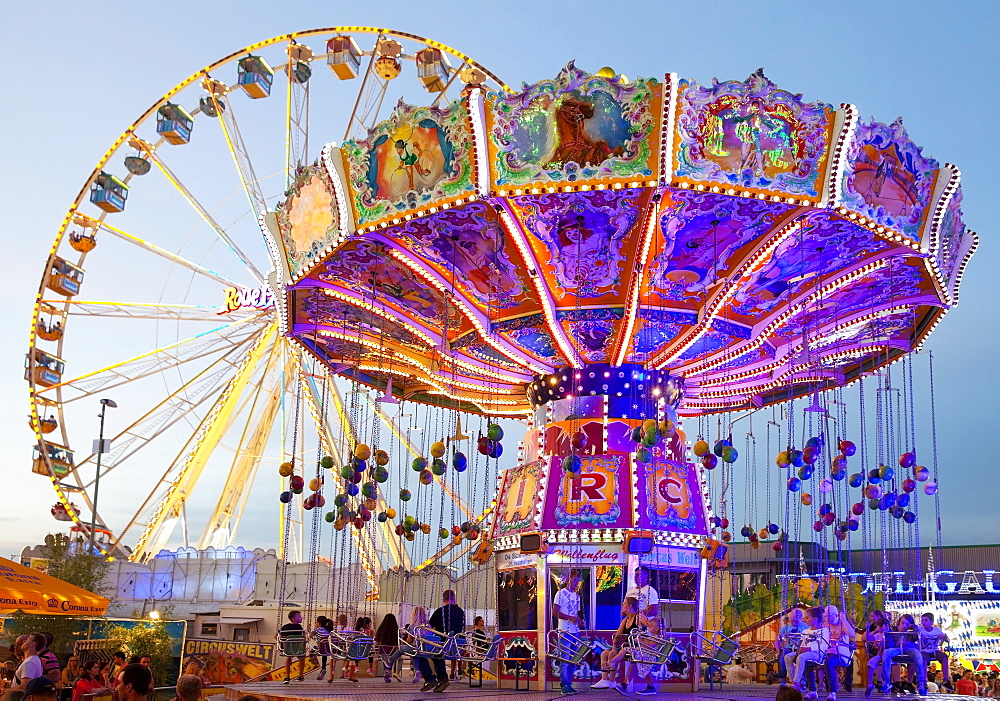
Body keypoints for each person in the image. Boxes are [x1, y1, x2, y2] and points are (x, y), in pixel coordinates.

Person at [416, 590, 465, 693]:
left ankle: (432, 679)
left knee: (420, 653)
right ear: (454, 598)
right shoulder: (461, 612)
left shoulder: (440, 611)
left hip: (442, 643)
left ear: (443, 599)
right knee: (437, 655)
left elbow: (431, 627)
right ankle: (441, 679)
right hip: (456, 644)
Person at [552, 571, 583, 697]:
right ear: (569, 579)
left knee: (575, 658)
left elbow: (575, 613)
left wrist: (578, 620)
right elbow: (555, 612)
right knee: (565, 658)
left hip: (576, 631)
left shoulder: (577, 596)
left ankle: (568, 683)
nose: (576, 583)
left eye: (578, 580)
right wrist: (570, 618)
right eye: (575, 580)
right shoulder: (560, 593)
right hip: (565, 630)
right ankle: (564, 684)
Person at [787, 607, 828, 697]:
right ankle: (792, 679)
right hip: (806, 654)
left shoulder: (824, 631)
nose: (804, 619)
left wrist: (809, 649)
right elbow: (803, 643)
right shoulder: (806, 631)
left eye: (807, 618)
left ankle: (797, 682)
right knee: (788, 656)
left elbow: (825, 645)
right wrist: (800, 649)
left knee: (802, 657)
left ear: (815, 619)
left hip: (817, 654)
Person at [881, 614, 926, 695]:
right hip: (897, 649)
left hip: (909, 649)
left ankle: (921, 683)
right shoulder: (894, 632)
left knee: (918, 654)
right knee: (886, 652)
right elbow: (890, 644)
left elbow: (918, 635)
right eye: (902, 623)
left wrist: (913, 628)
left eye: (907, 624)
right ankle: (886, 681)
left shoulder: (912, 633)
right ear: (899, 623)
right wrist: (896, 644)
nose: (904, 625)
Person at [822, 605, 855, 701]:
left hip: (840, 653)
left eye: (829, 616)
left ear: (836, 615)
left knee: (829, 661)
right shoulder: (825, 626)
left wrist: (843, 619)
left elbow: (851, 634)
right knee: (808, 661)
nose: (827, 618)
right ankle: (812, 689)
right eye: (825, 616)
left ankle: (832, 691)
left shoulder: (842, 624)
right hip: (827, 652)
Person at [777, 608, 809, 686]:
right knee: (781, 659)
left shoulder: (805, 626)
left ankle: (803, 680)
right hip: (788, 648)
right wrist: (778, 650)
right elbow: (778, 639)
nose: (794, 623)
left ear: (801, 618)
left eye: (796, 621)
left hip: (800, 648)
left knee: (803, 660)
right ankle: (782, 681)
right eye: (792, 620)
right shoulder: (786, 627)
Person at [864, 609, 889, 697]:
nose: (880, 628)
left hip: (889, 656)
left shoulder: (890, 634)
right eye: (879, 627)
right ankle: (870, 684)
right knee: (870, 664)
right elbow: (867, 638)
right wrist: (869, 629)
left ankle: (887, 682)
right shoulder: (877, 635)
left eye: (881, 626)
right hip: (880, 655)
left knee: (888, 664)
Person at [918, 613, 950, 679]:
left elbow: (947, 640)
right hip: (924, 651)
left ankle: (946, 678)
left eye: (926, 620)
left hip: (934, 650)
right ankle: (923, 680)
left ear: (931, 622)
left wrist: (944, 637)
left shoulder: (937, 630)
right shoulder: (920, 630)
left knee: (944, 657)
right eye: (922, 620)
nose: (923, 622)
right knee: (923, 659)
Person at [278, 610, 306, 685]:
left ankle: (287, 676)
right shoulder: (299, 627)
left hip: (287, 649)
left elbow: (276, 636)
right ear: (293, 618)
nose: (301, 618)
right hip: (298, 649)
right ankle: (300, 675)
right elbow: (304, 637)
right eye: (299, 616)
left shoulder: (285, 627)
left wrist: (281, 645)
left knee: (288, 657)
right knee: (302, 657)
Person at [374, 614, 400, 683]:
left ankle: (386, 670)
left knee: (385, 660)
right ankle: (388, 670)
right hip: (393, 649)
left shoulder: (381, 628)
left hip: (383, 649)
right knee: (391, 660)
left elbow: (377, 640)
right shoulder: (396, 629)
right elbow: (399, 640)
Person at [310, 616, 332, 681]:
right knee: (324, 654)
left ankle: (312, 656)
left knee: (313, 648)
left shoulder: (316, 629)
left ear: (319, 623)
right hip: (329, 649)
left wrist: (310, 633)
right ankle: (323, 668)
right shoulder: (328, 630)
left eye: (316, 622)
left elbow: (310, 635)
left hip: (321, 648)